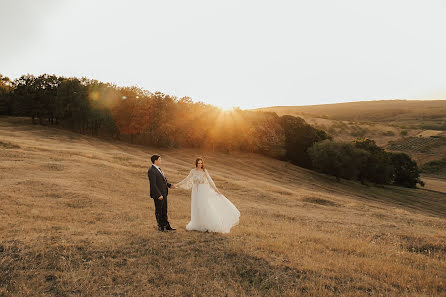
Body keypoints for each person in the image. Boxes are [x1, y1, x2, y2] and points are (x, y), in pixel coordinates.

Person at [175, 158, 240, 233]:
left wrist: (216, 189)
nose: (200, 165)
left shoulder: (204, 171)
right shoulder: (193, 171)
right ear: (196, 163)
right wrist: (177, 185)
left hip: (203, 190)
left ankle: (207, 224)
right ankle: (197, 224)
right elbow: (186, 179)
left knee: (204, 206)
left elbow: (210, 181)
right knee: (196, 207)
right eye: (199, 163)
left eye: (201, 163)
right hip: (195, 191)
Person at [147, 154, 176, 232]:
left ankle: (167, 226)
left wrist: (169, 185)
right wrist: (158, 195)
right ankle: (160, 226)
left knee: (164, 210)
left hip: (164, 193)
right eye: (160, 159)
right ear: (155, 160)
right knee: (159, 210)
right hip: (158, 195)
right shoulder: (151, 170)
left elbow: (163, 182)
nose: (161, 161)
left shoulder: (159, 169)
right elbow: (153, 184)